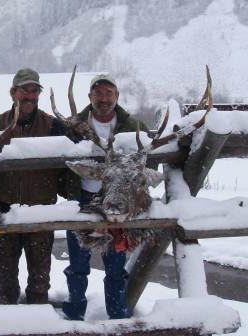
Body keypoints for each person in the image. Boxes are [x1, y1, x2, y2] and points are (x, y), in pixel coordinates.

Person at [62, 73, 149, 320]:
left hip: (117, 201)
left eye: (108, 93)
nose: (103, 98)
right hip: (84, 201)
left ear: (117, 96)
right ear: (90, 96)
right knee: (78, 265)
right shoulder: (73, 125)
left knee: (115, 265)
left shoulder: (132, 127)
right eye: (98, 93)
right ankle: (74, 318)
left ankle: (117, 318)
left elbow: (141, 162)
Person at [0, 68, 67, 304]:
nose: (30, 95)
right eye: (25, 90)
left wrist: (69, 194)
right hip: (3, 214)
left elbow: (70, 167)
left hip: (40, 214)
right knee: (5, 282)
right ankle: (10, 324)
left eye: (35, 90)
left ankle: (37, 323)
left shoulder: (54, 127)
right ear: (13, 93)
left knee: (40, 283)